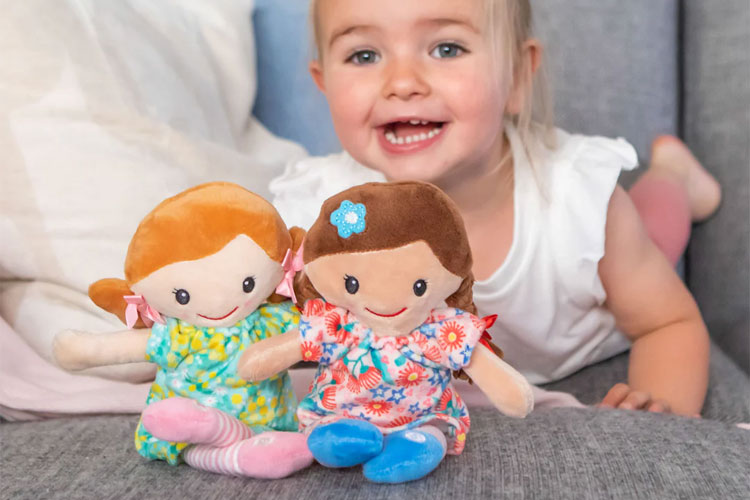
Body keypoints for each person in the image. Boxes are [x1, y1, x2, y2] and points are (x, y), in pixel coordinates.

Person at [270, 0, 722, 416]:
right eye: (364, 56)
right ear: (324, 84)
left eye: (446, 48)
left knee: (655, 227)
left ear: (518, 77)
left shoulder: (579, 205)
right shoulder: (316, 216)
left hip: (589, 313)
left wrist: (662, 412)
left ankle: (674, 176)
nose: (402, 82)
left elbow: (669, 323)